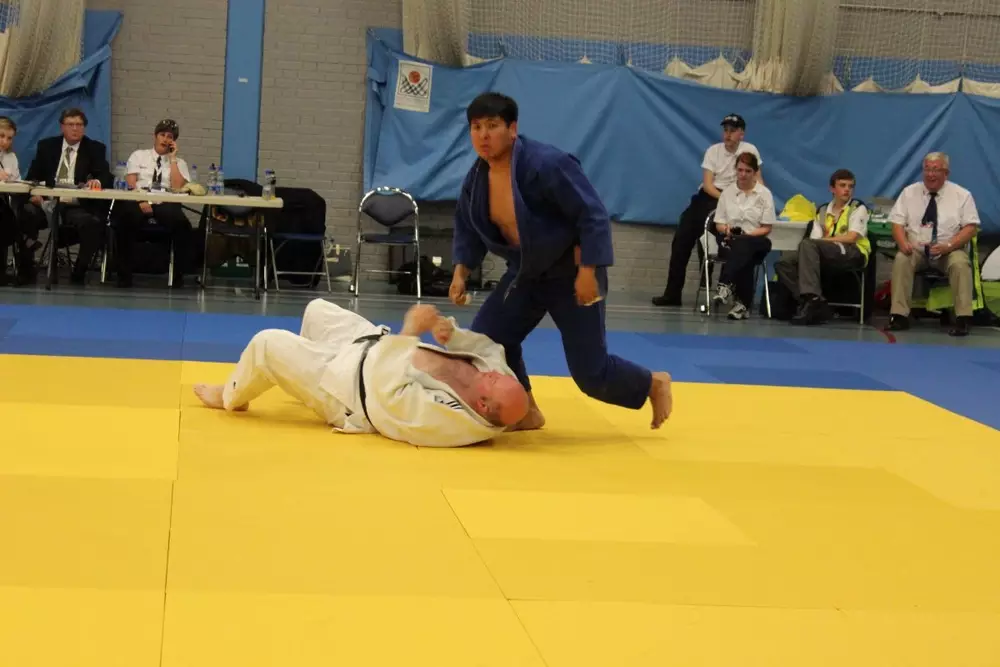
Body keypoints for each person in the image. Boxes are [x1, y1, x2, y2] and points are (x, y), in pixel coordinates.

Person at [447, 92, 672, 431]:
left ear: (512, 128)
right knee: (488, 341)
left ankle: (652, 383)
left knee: (591, 374)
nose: (483, 135)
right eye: (476, 127)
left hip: (571, 272)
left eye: (492, 126)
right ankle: (525, 411)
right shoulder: (476, 180)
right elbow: (467, 226)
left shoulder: (547, 164)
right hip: (526, 274)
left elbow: (592, 215)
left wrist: (588, 271)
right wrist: (461, 271)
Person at [194, 299, 531, 448]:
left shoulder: (450, 421)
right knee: (317, 310)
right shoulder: (498, 386)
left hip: (349, 389)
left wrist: (410, 331)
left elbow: (388, 392)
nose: (498, 374)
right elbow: (491, 351)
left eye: (496, 381)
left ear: (483, 406)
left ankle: (230, 396)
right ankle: (301, 378)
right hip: (371, 346)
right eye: (503, 376)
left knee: (266, 343)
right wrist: (453, 335)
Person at [653, 113, 764, 307]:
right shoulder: (713, 151)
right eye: (725, 130)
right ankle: (672, 293)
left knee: (730, 239)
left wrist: (757, 201)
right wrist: (725, 200)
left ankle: (728, 289)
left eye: (733, 131)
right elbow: (708, 185)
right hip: (711, 196)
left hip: (736, 198)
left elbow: (758, 181)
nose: (728, 134)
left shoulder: (750, 150)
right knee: (681, 239)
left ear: (741, 134)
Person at [887, 151, 979, 337]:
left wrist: (949, 245)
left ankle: (963, 318)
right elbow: (897, 223)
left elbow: (970, 228)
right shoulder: (909, 193)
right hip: (917, 249)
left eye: (936, 170)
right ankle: (899, 316)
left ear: (946, 173)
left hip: (949, 249)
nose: (930, 174)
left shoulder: (962, 195)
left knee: (960, 264)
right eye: (927, 169)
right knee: (901, 259)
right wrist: (903, 243)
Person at [21, 107, 112, 285]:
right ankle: (26, 268)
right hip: (47, 202)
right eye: (70, 124)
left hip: (75, 205)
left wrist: (97, 181)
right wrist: (35, 194)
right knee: (25, 212)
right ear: (62, 126)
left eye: (79, 124)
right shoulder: (47, 146)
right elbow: (32, 177)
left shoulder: (95, 148)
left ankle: (79, 272)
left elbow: (105, 176)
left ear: (84, 127)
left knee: (92, 224)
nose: (75, 128)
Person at [774, 168, 870, 325]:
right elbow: (815, 239)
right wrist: (822, 241)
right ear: (832, 188)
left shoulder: (858, 208)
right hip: (827, 251)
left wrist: (826, 240)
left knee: (808, 244)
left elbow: (852, 237)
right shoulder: (823, 211)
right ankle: (814, 302)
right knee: (784, 263)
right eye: (842, 185)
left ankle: (813, 300)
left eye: (850, 186)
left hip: (853, 252)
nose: (847, 190)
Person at [113, 119, 193, 287]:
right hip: (139, 198)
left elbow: (178, 187)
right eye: (162, 135)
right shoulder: (139, 155)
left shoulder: (180, 163)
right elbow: (130, 182)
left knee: (182, 225)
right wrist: (141, 200)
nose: (165, 139)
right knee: (124, 219)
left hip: (166, 200)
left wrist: (172, 159)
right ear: (155, 136)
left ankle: (178, 275)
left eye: (170, 137)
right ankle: (123, 275)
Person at [709, 152, 775, 320]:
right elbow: (719, 224)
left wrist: (747, 235)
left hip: (757, 239)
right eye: (740, 170)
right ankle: (742, 305)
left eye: (748, 171)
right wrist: (728, 230)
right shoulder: (727, 193)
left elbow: (767, 227)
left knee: (744, 245)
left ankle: (725, 284)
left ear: (755, 172)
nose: (743, 174)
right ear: (735, 170)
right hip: (730, 238)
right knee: (744, 254)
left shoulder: (765, 194)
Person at [0, 116, 24, 285]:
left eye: (9, 138)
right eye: (1, 136)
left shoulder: (11, 158)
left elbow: (17, 181)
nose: (5, 142)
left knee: (8, 217)